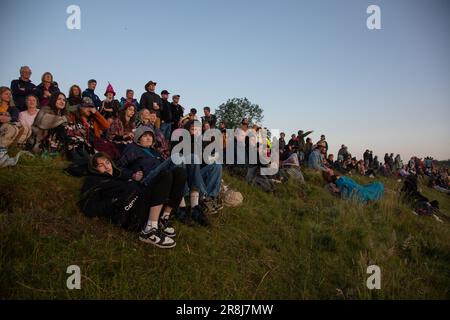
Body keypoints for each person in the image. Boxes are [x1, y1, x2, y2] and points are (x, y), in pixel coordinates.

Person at [80, 152, 186, 248]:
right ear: (95, 169)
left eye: (107, 162)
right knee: (164, 175)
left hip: (140, 200)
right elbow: (88, 208)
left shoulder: (119, 174)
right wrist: (115, 201)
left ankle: (163, 219)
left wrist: (134, 179)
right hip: (131, 214)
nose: (107, 167)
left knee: (180, 173)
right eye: (101, 165)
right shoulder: (94, 180)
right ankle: (149, 230)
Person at [65, 97, 116, 161]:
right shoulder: (74, 117)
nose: (90, 109)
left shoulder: (93, 119)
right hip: (80, 146)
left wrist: (96, 113)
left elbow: (106, 126)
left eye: (91, 107)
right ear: (81, 107)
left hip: (94, 145)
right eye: (87, 106)